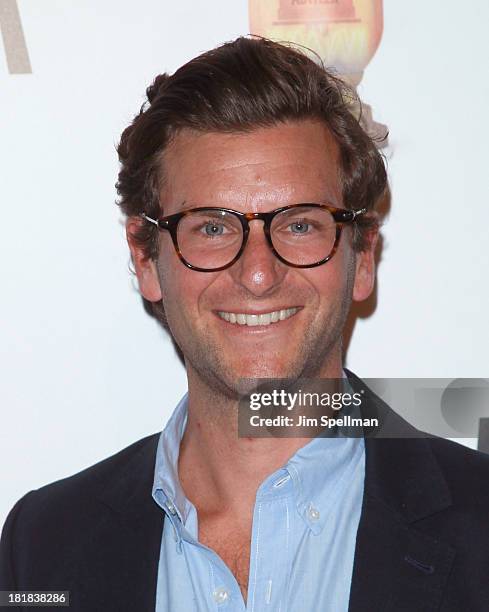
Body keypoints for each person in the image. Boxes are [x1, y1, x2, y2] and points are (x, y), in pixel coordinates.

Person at [1, 36, 488, 612]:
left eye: (301, 225)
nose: (258, 274)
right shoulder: (43, 545)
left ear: (363, 259)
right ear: (145, 261)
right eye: (212, 228)